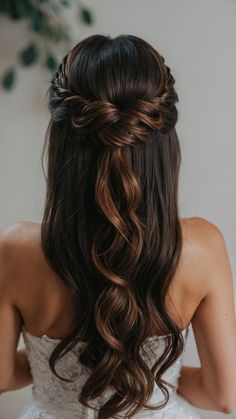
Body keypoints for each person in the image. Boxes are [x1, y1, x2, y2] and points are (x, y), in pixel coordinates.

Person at [0, 34, 235, 419]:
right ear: (163, 142)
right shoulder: (200, 247)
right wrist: (154, 379)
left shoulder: (14, 248)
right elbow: (222, 395)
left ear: (61, 142)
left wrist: (54, 371)